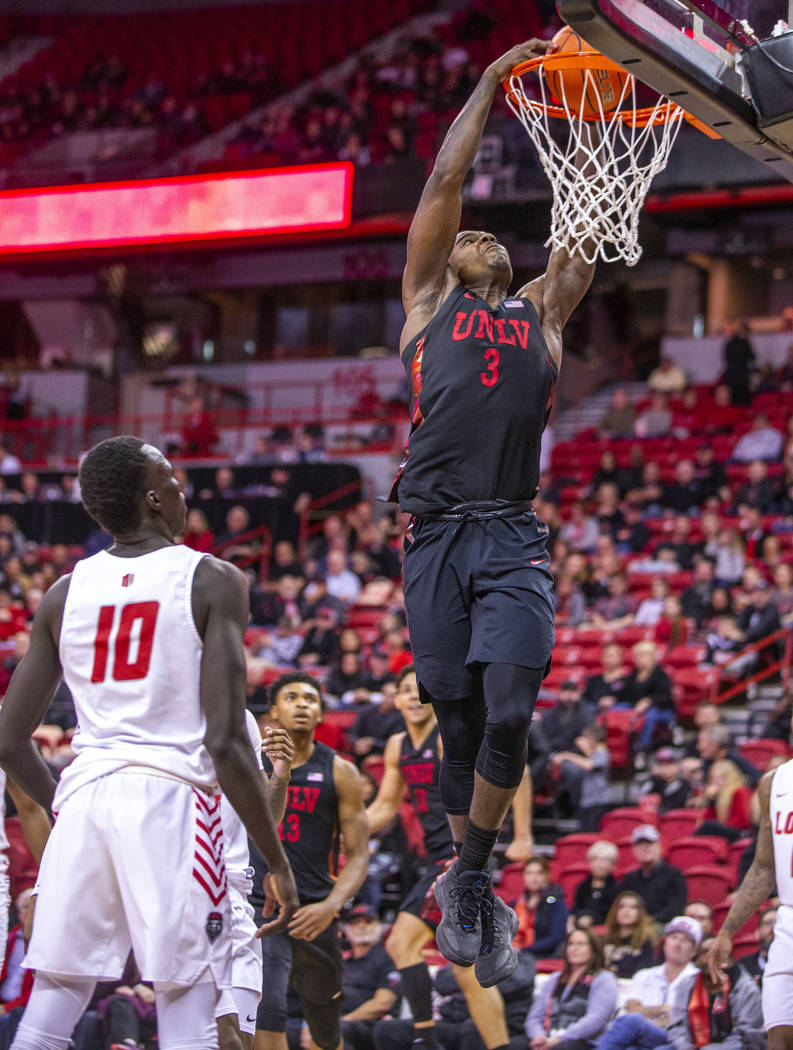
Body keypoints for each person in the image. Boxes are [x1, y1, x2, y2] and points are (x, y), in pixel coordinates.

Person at [389, 35, 596, 978]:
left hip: (508, 534)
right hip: (431, 537)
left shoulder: (542, 317)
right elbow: (443, 181)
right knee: (460, 723)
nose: (476, 235)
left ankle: (468, 876)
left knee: (511, 714)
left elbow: (583, 227)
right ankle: (465, 877)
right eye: (469, 234)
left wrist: (595, 116)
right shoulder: (427, 300)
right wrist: (486, 83)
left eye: (489, 238)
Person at [0, 435, 299, 1050]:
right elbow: (225, 739)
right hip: (171, 801)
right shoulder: (213, 579)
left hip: (87, 795)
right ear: (155, 497)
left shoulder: (65, 591)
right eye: (174, 478)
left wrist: (65, 805)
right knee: (186, 992)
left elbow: (7, 739)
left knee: (56, 996)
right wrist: (276, 859)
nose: (183, 488)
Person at [366, 668, 526, 1050]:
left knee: (401, 941)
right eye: (403, 689)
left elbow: (511, 767)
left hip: (462, 854)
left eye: (416, 690)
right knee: (469, 970)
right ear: (397, 699)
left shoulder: (445, 737)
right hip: (437, 858)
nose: (411, 696)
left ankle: (425, 1038)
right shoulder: (396, 745)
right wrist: (346, 831)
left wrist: (524, 834)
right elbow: (385, 807)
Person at [253, 672, 369, 1050]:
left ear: (320, 713)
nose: (302, 704)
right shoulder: (252, 766)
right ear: (273, 711)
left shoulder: (341, 771)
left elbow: (358, 855)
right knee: (265, 1010)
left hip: (315, 909)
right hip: (260, 906)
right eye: (291, 697)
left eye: (310, 699)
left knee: (324, 1025)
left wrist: (332, 905)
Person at [708, 728, 793, 1047]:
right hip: (788, 919)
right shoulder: (774, 782)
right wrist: (727, 931)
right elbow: (763, 866)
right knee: (780, 1036)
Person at [216, 712, 296, 1050]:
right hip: (186, 891)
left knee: (243, 1042)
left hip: (237, 895)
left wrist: (280, 774)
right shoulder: (156, 711)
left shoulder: (241, 719)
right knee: (221, 1038)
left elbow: (265, 819)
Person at [592, 915, 702, 1050]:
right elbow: (631, 1009)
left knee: (634, 1022)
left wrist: (646, 1014)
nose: (677, 944)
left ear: (694, 950)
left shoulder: (697, 979)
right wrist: (662, 1009)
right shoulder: (644, 975)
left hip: (676, 1039)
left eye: (685, 940)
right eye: (673, 938)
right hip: (639, 1035)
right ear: (665, 942)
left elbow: (685, 1021)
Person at [524, 928, 619, 1050]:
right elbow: (534, 1016)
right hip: (546, 1037)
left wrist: (560, 1039)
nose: (574, 948)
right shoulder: (554, 978)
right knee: (513, 1045)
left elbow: (596, 1019)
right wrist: (539, 1037)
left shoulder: (604, 979)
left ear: (594, 949)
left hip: (583, 1041)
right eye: (571, 944)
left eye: (581, 944)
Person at [670, 937, 764, 1050]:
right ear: (697, 959)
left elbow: (746, 1036)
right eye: (706, 953)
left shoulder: (747, 989)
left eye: (718, 952)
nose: (712, 958)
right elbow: (677, 1027)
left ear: (728, 959)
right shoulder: (686, 985)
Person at [339, 905, 401, 1050]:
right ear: (346, 930)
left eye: (368, 922)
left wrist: (343, 1021)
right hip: (337, 1020)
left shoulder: (388, 958)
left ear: (379, 927)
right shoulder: (341, 961)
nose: (362, 927)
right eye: (355, 923)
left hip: (370, 1024)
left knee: (336, 1031)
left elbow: (383, 1003)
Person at [618, 826, 687, 926]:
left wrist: (650, 920)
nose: (645, 848)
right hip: (632, 925)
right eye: (640, 844)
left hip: (660, 925)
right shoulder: (630, 878)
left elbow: (675, 908)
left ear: (659, 846)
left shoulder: (674, 875)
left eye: (649, 843)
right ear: (633, 850)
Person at [513, 857, 568, 958]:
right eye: (529, 873)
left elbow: (555, 938)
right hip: (514, 955)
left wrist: (523, 950)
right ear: (523, 876)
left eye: (539, 873)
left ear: (547, 875)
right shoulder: (514, 903)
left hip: (542, 956)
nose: (534, 878)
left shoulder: (556, 902)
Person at [603, 892, 658, 979]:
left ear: (640, 913)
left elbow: (644, 975)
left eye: (633, 907)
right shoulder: (604, 940)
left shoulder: (646, 943)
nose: (626, 911)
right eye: (622, 907)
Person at [571, 841, 619, 929]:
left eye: (605, 860)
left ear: (613, 865)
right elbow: (576, 909)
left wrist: (591, 918)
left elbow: (614, 916)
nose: (600, 864)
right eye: (596, 859)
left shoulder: (617, 889)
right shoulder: (582, 887)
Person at [739, 906, 777, 988]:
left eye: (779, 923)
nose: (774, 927)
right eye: (769, 923)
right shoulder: (743, 965)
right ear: (758, 931)